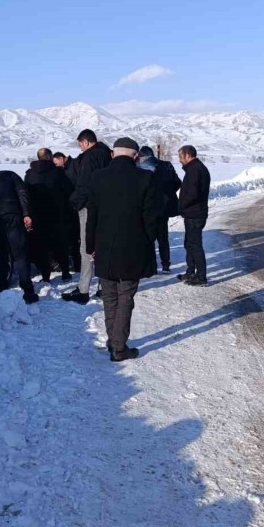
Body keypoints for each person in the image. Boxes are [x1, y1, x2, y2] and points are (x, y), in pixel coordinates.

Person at [86, 137, 158, 362]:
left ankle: (113, 339)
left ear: (112, 155)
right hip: (134, 247)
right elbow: (152, 218)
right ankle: (119, 346)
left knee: (109, 296)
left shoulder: (97, 177)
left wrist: (90, 246)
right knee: (126, 296)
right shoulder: (146, 178)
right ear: (136, 156)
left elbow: (92, 217)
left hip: (104, 247)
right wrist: (147, 241)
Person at [0, 168, 39, 304]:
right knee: (20, 254)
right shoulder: (11, 175)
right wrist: (27, 213)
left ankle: (1, 289)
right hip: (12, 215)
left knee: (0, 253)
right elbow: (23, 193)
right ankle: (28, 291)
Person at [64, 130, 112, 303]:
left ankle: (83, 289)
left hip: (88, 205)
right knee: (102, 245)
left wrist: (75, 203)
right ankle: (103, 287)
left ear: (85, 142)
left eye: (80, 144)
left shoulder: (89, 157)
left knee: (86, 246)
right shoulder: (107, 154)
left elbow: (85, 183)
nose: (80, 148)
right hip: (106, 205)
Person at [25, 148, 75, 283]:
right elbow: (69, 190)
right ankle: (65, 271)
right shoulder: (58, 172)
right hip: (58, 213)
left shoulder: (29, 174)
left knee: (42, 246)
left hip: (38, 215)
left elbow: (26, 195)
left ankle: (45, 275)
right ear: (50, 157)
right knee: (60, 243)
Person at [137, 145, 182, 274]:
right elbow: (177, 182)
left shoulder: (140, 168)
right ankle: (166, 265)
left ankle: (151, 265)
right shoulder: (166, 165)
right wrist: (167, 194)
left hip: (147, 208)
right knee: (163, 237)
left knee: (149, 237)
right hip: (163, 207)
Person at [176, 145, 211, 285]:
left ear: (188, 155)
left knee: (195, 245)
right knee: (189, 244)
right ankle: (190, 272)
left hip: (195, 214)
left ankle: (201, 277)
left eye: (180, 157)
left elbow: (192, 194)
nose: (179, 160)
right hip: (194, 213)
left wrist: (181, 205)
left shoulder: (195, 170)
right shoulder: (195, 168)